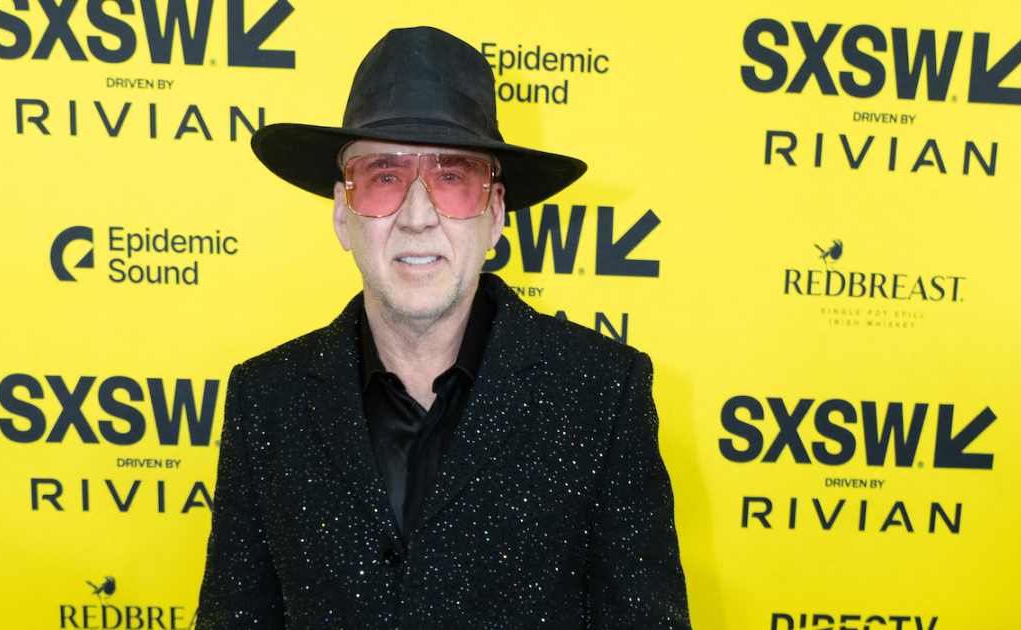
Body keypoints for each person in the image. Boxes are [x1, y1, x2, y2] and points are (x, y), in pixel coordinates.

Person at [196, 25, 691, 629]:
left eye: (452, 178)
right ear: (343, 214)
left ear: (496, 213)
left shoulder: (602, 394)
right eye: (384, 177)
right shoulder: (266, 398)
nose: (417, 216)